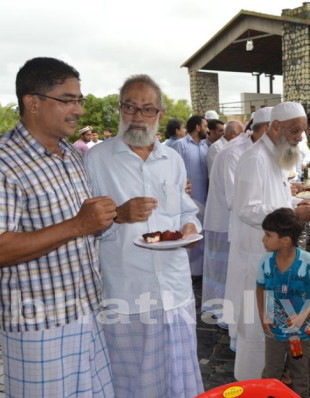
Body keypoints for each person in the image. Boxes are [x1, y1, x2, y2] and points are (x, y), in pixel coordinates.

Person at [0, 57, 116, 397]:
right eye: (68, 100)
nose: (78, 110)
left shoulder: (72, 156)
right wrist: (78, 225)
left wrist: (115, 213)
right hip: (40, 326)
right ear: (32, 102)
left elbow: (82, 224)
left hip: (89, 313)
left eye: (80, 99)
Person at [85, 74, 204, 398]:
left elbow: (184, 210)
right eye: (130, 107)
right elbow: (83, 228)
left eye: (147, 109)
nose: (138, 116)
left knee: (178, 379)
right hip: (128, 290)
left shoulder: (173, 160)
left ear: (159, 115)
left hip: (175, 288)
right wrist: (118, 215)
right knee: (133, 383)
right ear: (120, 109)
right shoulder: (96, 160)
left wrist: (190, 227)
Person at [227, 102, 310, 381]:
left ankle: (271, 380)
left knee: (274, 325)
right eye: (295, 130)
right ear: (275, 126)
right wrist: (293, 213)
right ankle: (251, 385)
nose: (299, 137)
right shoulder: (255, 159)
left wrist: (299, 203)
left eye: (302, 132)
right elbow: (247, 208)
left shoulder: (278, 155)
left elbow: (275, 202)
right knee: (257, 330)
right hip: (258, 255)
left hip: (276, 258)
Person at [202, 109, 271, 333]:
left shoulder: (253, 149)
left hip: (235, 221)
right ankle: (221, 314)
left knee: (228, 275)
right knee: (223, 274)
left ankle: (229, 314)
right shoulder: (235, 152)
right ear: (265, 129)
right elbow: (235, 199)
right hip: (224, 220)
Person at [256, 208, 310, 397]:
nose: (263, 239)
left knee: (300, 374)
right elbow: (260, 287)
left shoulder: (307, 261)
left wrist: (304, 316)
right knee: (271, 373)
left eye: (268, 235)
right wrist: (264, 316)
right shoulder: (266, 261)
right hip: (274, 333)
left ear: (285, 240)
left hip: (300, 335)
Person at [173, 114, 209, 277]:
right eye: (205, 126)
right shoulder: (180, 145)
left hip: (204, 198)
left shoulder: (205, 146)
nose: (207, 130)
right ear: (197, 127)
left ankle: (200, 272)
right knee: (188, 234)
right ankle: (188, 272)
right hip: (188, 199)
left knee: (200, 235)